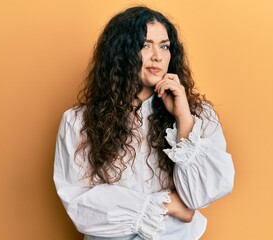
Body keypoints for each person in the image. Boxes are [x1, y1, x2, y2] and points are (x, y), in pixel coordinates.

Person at [53, 6, 235, 240]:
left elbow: (201, 195)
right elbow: (81, 206)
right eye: (145, 45)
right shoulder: (78, 121)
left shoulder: (198, 115)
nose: (157, 56)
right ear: (121, 52)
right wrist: (168, 204)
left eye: (164, 46)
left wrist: (183, 119)